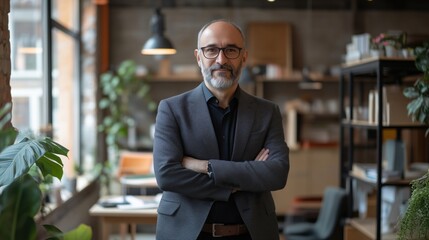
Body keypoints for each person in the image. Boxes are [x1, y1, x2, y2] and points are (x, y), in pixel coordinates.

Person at [153, 19, 290, 240]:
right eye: (211, 50)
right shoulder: (172, 109)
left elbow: (277, 174)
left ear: (244, 57)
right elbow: (167, 176)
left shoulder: (267, 112)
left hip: (251, 233)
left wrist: (205, 166)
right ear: (199, 57)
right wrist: (235, 184)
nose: (221, 59)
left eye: (230, 50)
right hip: (187, 233)